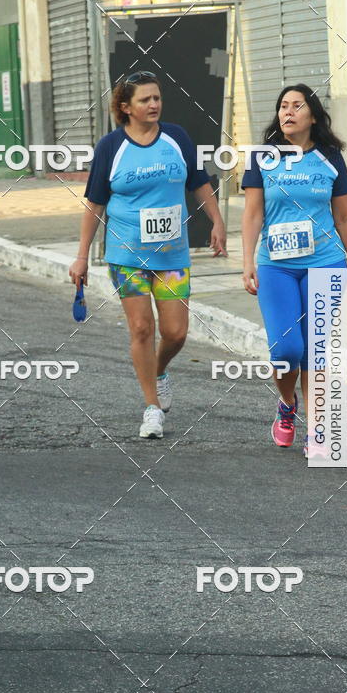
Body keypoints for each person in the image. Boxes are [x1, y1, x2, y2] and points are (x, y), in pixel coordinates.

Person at [69, 70, 227, 439]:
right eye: (145, 100)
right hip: (127, 254)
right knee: (142, 327)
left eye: (157, 98)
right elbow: (94, 204)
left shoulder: (176, 138)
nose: (154, 104)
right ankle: (152, 407)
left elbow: (199, 183)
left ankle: (158, 370)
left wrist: (217, 222)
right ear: (125, 107)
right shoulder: (111, 147)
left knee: (175, 333)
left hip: (172, 254)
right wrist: (81, 257)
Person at [241, 83, 347, 457]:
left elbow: (345, 218)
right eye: (283, 105)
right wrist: (247, 261)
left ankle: (317, 429)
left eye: (297, 106)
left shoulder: (330, 157)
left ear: (313, 116)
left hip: (325, 262)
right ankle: (286, 407)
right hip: (276, 266)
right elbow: (252, 214)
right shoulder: (263, 157)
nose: (288, 112)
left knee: (318, 352)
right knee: (286, 349)